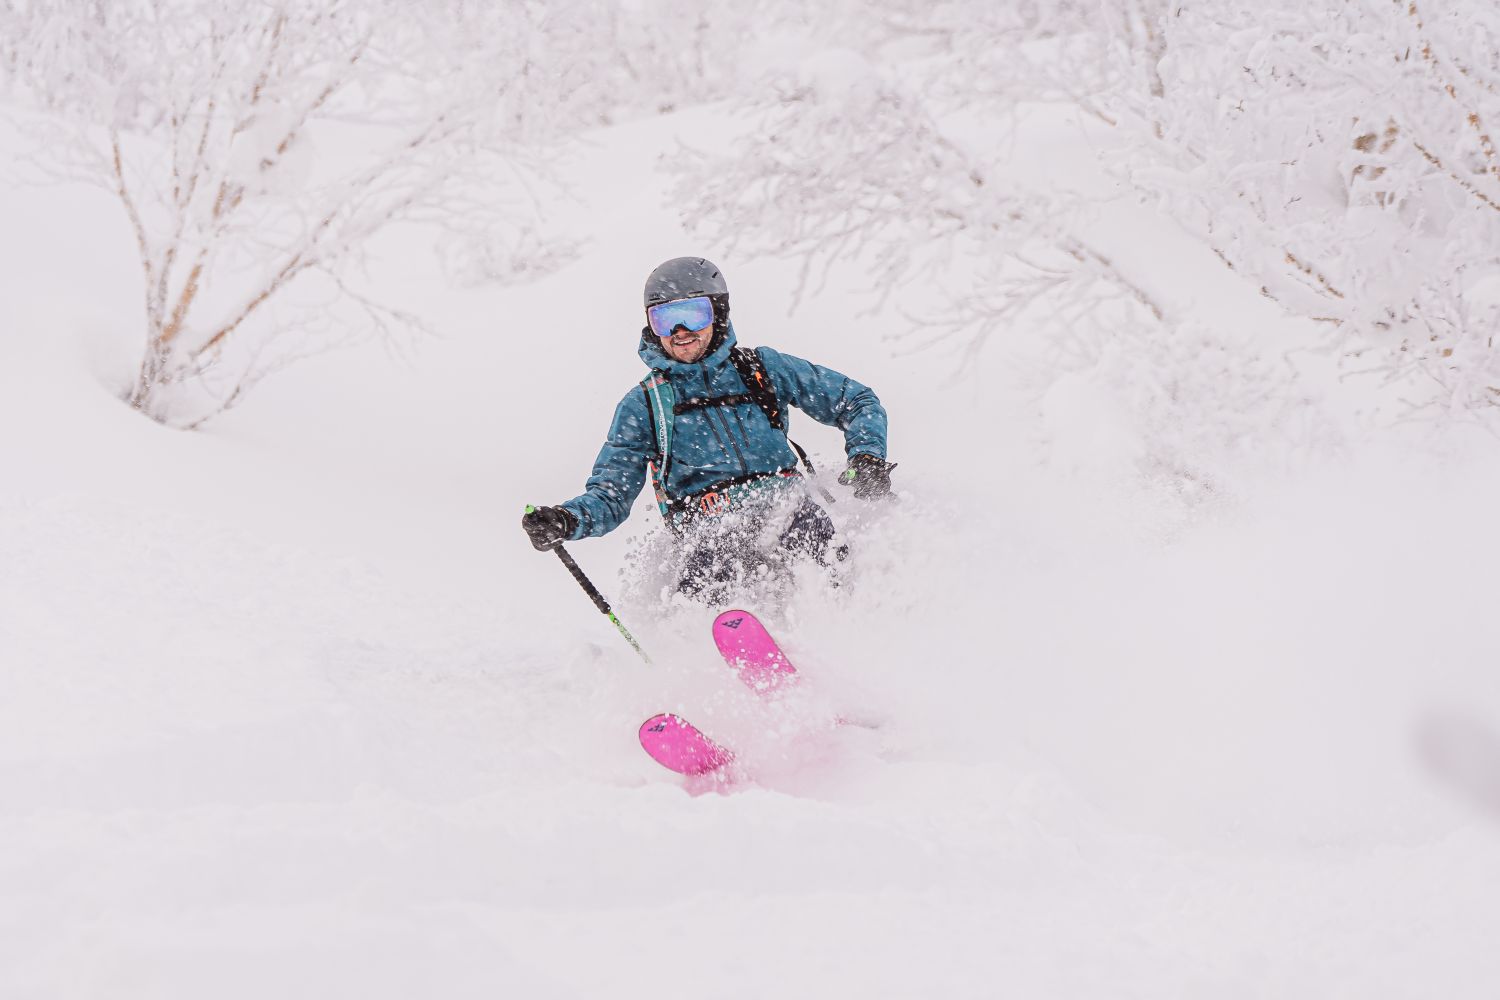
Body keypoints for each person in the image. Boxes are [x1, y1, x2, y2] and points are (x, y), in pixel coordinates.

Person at [522, 256, 894, 601]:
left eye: (692, 315)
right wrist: (567, 519)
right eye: (664, 320)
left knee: (816, 538)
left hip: (785, 505)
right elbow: (611, 495)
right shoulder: (646, 404)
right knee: (713, 565)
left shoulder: (760, 369)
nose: (680, 331)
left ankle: (851, 618)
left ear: (718, 313)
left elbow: (856, 401)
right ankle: (715, 642)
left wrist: (866, 457)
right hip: (707, 525)